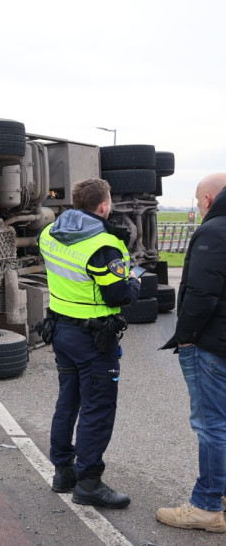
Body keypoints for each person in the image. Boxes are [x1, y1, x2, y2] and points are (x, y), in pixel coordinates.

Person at [38, 177, 140, 509]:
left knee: (68, 402)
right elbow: (120, 294)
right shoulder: (103, 245)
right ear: (103, 205)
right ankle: (89, 483)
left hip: (62, 332)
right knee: (97, 408)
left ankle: (63, 471)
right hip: (94, 340)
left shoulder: (48, 234)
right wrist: (134, 280)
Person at [156, 173, 226, 533]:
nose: (198, 208)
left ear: (209, 200)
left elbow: (201, 294)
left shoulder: (214, 232)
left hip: (212, 345)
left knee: (211, 425)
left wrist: (185, 338)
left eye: (199, 202)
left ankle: (207, 505)